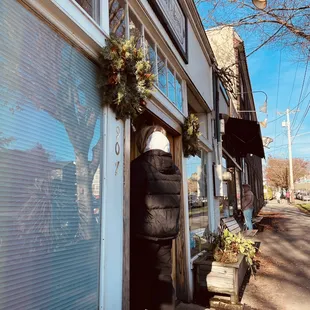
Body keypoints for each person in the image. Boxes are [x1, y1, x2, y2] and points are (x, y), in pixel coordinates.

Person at [130, 125, 181, 310]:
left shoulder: (138, 166)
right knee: (164, 279)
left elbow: (132, 201)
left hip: (143, 235)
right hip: (166, 235)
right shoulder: (175, 169)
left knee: (141, 282)